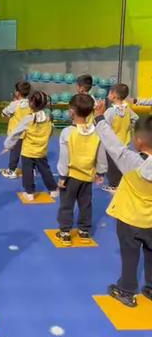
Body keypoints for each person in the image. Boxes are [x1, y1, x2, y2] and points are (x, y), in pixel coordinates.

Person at [94, 100, 152, 308]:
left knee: (130, 255)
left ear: (138, 141)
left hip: (129, 219)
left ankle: (127, 290)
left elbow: (112, 143)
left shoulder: (132, 161)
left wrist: (100, 118)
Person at [55, 94, 107, 246]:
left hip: (71, 176)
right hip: (87, 175)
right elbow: (101, 153)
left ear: (71, 111)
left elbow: (64, 157)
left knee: (66, 204)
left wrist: (62, 176)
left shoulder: (67, 132)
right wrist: (100, 172)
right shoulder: (97, 132)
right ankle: (84, 230)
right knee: (86, 204)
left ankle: (65, 232)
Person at [3, 91, 58, 201]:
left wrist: (8, 145)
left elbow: (16, 133)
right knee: (45, 170)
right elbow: (50, 132)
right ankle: (53, 190)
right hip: (41, 150)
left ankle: (29, 193)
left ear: (31, 104)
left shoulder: (29, 119)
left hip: (28, 151)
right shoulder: (48, 119)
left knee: (27, 172)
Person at [102, 83, 139, 193]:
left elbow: (103, 125)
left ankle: (114, 185)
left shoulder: (110, 111)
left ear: (113, 95)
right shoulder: (127, 108)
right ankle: (124, 182)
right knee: (122, 163)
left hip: (112, 144)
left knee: (111, 166)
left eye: (109, 92)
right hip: (125, 143)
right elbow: (136, 119)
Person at [0, 81, 32, 179]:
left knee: (15, 153)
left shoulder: (14, 104)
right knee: (28, 153)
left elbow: (4, 113)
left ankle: (12, 171)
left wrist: (8, 114)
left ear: (17, 93)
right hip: (28, 133)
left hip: (16, 134)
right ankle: (32, 170)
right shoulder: (30, 103)